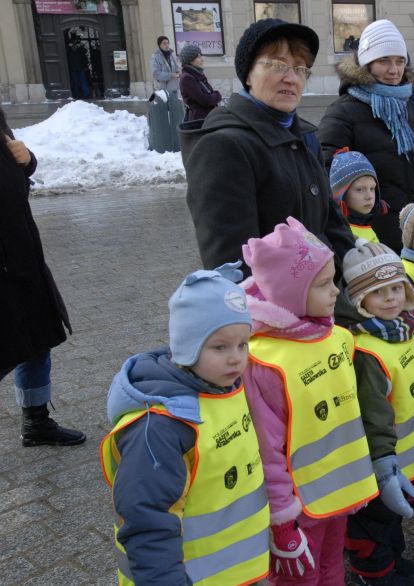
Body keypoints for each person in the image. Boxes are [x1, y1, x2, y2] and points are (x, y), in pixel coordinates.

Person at [100, 264, 269, 585]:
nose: (236, 358)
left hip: (239, 570)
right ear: (186, 348)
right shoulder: (160, 428)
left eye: (243, 344)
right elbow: (146, 519)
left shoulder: (226, 388)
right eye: (220, 347)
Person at [241, 219, 379, 585]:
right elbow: (266, 450)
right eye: (322, 284)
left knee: (333, 563)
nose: (335, 291)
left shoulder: (335, 337)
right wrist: (282, 521)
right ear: (289, 294)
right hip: (300, 506)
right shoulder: (265, 362)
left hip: (337, 490)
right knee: (302, 576)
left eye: (332, 279)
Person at [180, 19, 355, 276]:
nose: (291, 78)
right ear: (248, 73)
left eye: (300, 68)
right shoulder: (223, 146)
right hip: (278, 313)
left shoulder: (306, 137)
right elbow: (233, 265)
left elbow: (330, 222)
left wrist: (357, 268)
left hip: (324, 300)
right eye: (276, 65)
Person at [318, 19, 414, 252]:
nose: (394, 70)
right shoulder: (343, 112)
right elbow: (327, 176)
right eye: (383, 61)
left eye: (399, 61)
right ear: (366, 64)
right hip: (371, 239)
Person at [336, 241, 414, 585]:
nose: (391, 298)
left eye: (396, 288)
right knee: (373, 520)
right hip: (378, 457)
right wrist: (382, 459)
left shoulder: (401, 330)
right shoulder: (365, 350)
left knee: (392, 517)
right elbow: (373, 412)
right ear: (360, 301)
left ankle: (393, 557)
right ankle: (373, 571)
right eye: (378, 292)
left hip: (400, 453)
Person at [0, 108, 84, 447]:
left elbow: (14, 171)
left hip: (21, 249)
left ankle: (36, 419)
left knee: (37, 337)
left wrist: (27, 160)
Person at [330, 148, 387, 243]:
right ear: (341, 194)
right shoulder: (339, 234)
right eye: (359, 189)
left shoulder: (366, 226)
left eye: (372, 189)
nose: (369, 196)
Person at [178, 44, 222, 122]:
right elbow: (205, 100)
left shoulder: (198, 75)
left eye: (201, 56)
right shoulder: (187, 78)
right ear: (190, 60)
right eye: (198, 57)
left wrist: (214, 96)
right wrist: (217, 95)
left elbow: (210, 93)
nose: (202, 59)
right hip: (199, 122)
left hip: (208, 119)